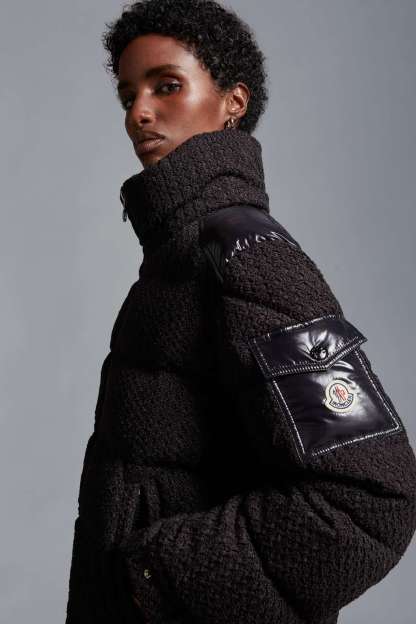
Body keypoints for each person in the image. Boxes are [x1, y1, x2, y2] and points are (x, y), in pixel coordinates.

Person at [65, 1, 416, 623]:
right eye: (128, 94)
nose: (138, 113)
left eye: (166, 86)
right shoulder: (178, 255)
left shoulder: (245, 251)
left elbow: (370, 497)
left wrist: (154, 575)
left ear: (233, 101)